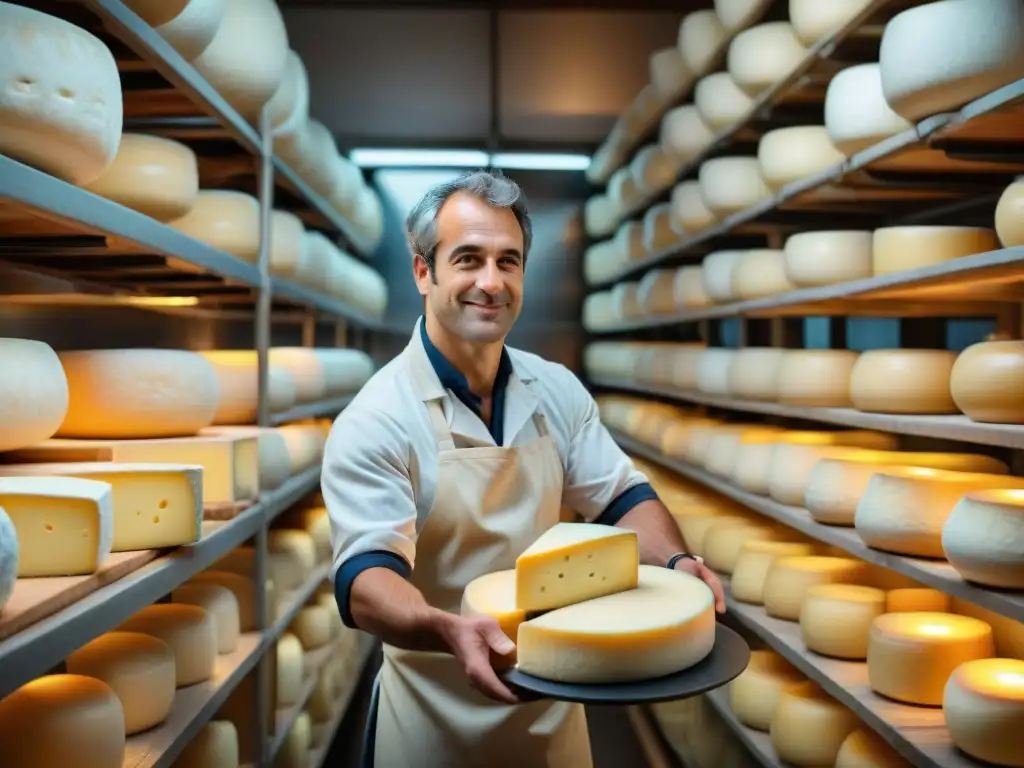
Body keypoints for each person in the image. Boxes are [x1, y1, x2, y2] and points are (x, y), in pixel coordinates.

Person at [322, 168, 726, 768]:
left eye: (508, 261)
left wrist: (674, 561)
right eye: (468, 259)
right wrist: (445, 628)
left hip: (551, 712)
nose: (491, 282)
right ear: (422, 271)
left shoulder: (555, 390)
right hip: (433, 722)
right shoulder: (377, 418)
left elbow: (622, 499)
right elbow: (366, 581)